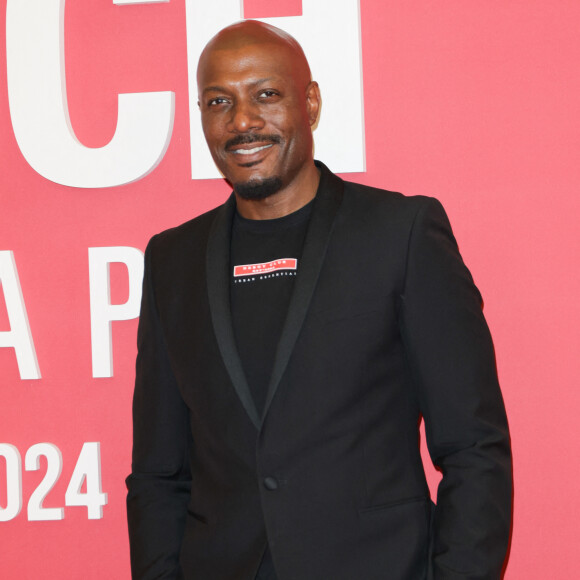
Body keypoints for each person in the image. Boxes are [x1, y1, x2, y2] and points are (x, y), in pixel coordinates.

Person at [126, 20, 512, 580]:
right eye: (218, 101)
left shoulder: (399, 234)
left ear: (309, 103)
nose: (242, 121)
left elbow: (473, 447)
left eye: (265, 94)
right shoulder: (172, 260)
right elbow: (158, 471)